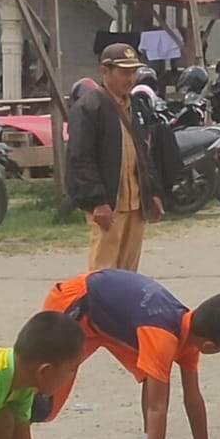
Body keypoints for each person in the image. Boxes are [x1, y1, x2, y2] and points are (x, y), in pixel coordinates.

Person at [40, 270, 220, 439]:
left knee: (153, 378)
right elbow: (157, 408)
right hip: (77, 303)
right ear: (210, 345)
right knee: (41, 398)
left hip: (106, 320)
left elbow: (193, 398)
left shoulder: (188, 332)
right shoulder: (163, 338)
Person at [68, 43, 166, 272]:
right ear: (105, 71)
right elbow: (80, 158)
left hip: (135, 203)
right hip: (109, 206)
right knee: (104, 272)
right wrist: (97, 201)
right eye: (123, 72)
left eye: (133, 72)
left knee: (129, 273)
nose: (129, 78)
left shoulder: (136, 106)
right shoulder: (89, 107)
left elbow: (143, 153)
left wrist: (152, 193)